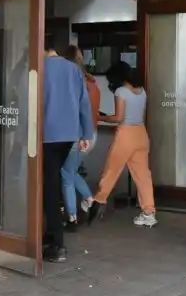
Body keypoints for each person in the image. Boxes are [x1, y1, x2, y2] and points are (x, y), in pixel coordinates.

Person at [87, 67, 157, 228]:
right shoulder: (142, 92)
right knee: (143, 176)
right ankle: (149, 212)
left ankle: (98, 202)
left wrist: (99, 117)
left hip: (125, 136)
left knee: (111, 170)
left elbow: (119, 118)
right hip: (141, 134)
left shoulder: (121, 91)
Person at [42, 46, 94, 263]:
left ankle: (57, 244)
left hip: (47, 134)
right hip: (70, 135)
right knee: (52, 181)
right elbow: (84, 103)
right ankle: (50, 233)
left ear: (44, 49)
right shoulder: (74, 69)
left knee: (49, 186)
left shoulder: (40, 67)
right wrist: (86, 133)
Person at [60, 45, 101, 232]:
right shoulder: (92, 83)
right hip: (92, 134)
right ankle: (90, 200)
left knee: (66, 174)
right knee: (71, 171)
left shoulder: (71, 83)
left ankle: (72, 217)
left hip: (76, 134)